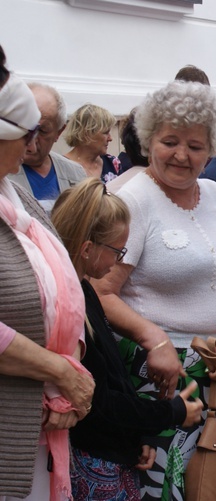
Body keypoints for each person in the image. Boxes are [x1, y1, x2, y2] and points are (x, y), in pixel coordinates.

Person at [91, 81, 216, 500]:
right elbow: (100, 292)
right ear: (149, 140)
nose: (181, 155)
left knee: (203, 483)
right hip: (157, 377)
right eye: (169, 141)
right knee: (159, 488)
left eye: (195, 145)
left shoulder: (214, 193)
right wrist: (153, 337)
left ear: (211, 147)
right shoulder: (133, 201)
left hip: (214, 371)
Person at [50, 178, 203, 500]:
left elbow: (114, 381)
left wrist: (138, 436)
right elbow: (101, 403)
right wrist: (172, 412)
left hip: (113, 452)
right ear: (88, 249)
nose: (119, 261)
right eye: (117, 251)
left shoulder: (85, 291)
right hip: (93, 456)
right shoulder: (70, 307)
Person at [0, 46, 95, 501]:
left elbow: (62, 293)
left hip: (37, 422)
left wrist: (63, 383)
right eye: (26, 133)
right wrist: (58, 370)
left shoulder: (14, 193)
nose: (34, 145)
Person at [8, 83, 86, 213]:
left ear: (59, 132)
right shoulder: (4, 172)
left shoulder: (76, 174)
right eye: (25, 127)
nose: (31, 141)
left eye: (42, 131)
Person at [63, 104, 128, 182]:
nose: (110, 139)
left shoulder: (113, 163)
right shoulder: (62, 166)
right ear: (87, 134)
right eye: (106, 133)